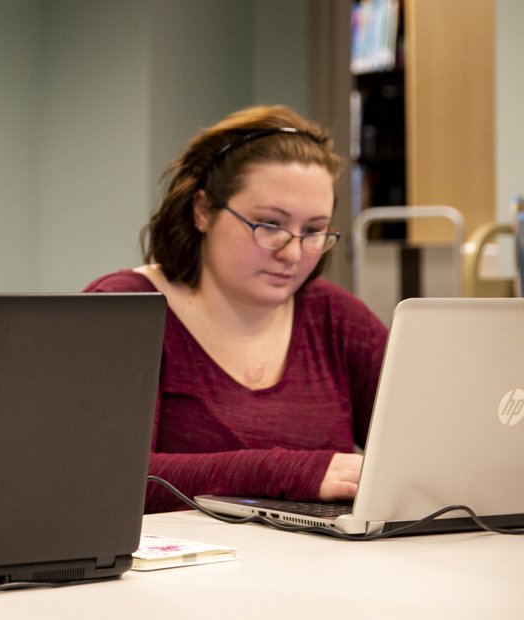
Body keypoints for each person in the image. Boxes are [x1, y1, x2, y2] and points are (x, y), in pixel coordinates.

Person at [84, 105, 389, 513]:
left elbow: (421, 453)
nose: (293, 252)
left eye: (314, 231)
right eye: (269, 225)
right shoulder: (124, 311)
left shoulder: (339, 319)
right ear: (203, 211)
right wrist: (289, 473)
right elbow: (105, 476)